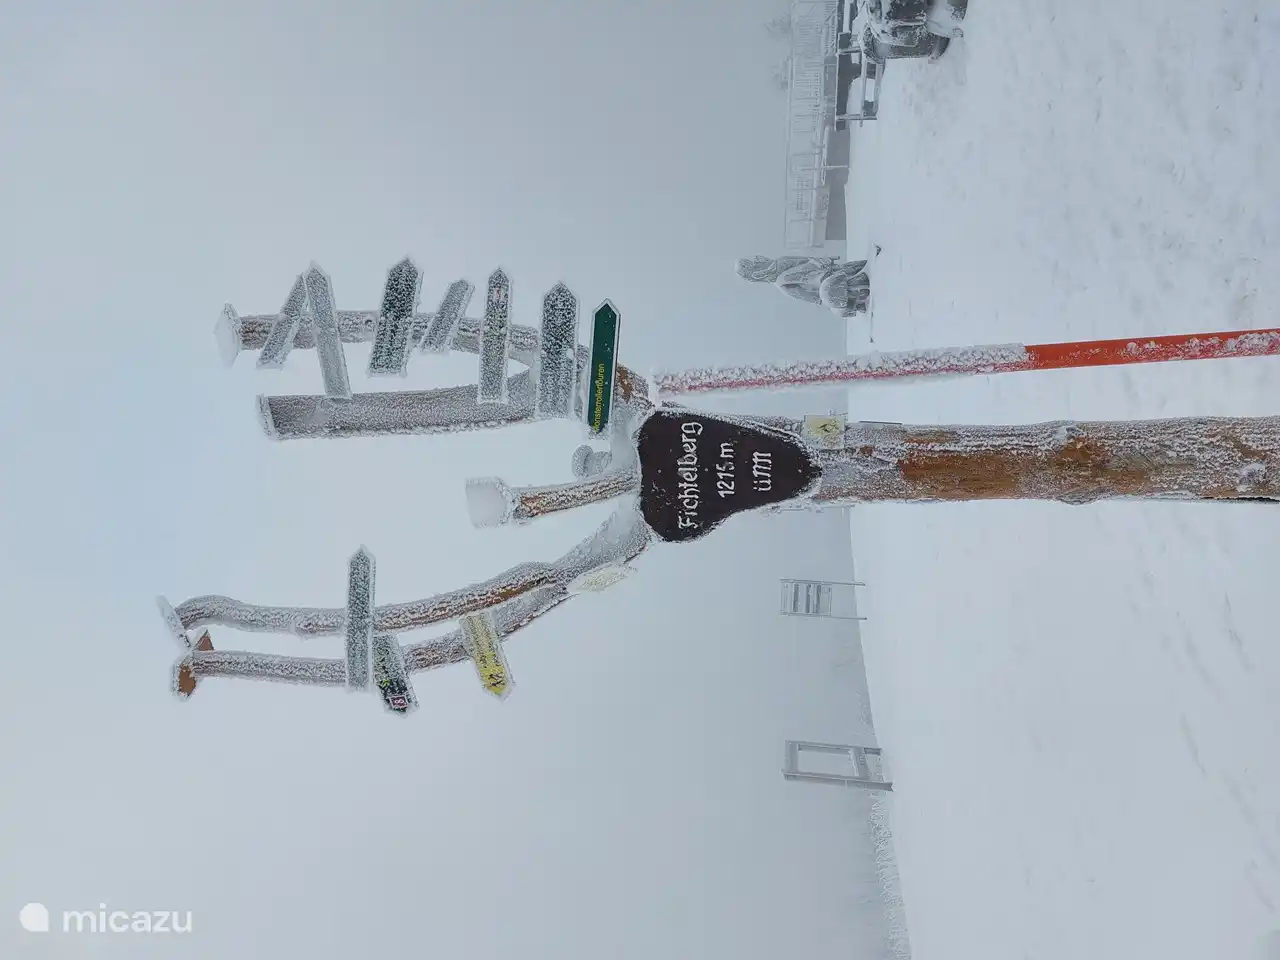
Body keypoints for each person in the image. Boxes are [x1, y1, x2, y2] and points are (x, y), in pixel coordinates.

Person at [735, 254, 872, 319]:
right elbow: (808, 296)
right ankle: (857, 296)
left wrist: (821, 262)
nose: (758, 262)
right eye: (753, 266)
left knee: (858, 268)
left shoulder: (780, 262)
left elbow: (804, 260)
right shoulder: (782, 283)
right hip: (827, 285)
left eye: (753, 262)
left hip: (829, 272)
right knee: (837, 290)